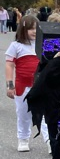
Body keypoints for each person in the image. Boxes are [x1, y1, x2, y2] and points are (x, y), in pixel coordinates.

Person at [5, 15, 50, 151]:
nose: (34, 31)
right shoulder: (16, 46)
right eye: (31, 29)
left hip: (41, 86)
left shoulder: (44, 44)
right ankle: (23, 139)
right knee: (23, 114)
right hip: (22, 86)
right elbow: (9, 65)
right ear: (23, 30)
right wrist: (10, 85)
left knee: (45, 116)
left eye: (36, 28)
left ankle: (50, 141)